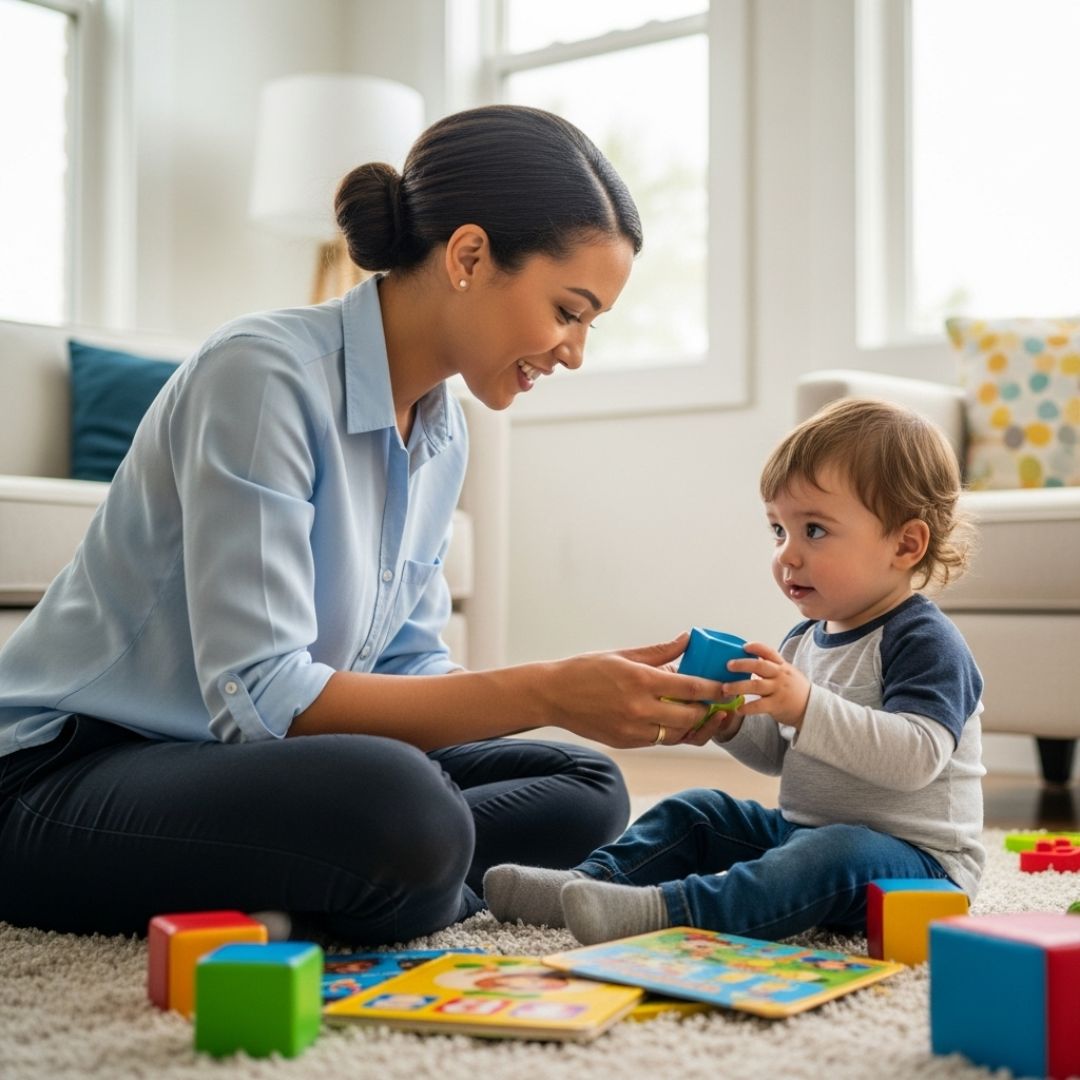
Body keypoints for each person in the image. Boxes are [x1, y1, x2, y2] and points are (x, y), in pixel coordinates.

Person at [0, 106, 735, 943]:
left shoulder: (443, 428)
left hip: (234, 766)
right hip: (63, 774)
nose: (574, 351)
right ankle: (390, 878)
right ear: (468, 256)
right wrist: (548, 688)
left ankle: (366, 886)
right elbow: (263, 699)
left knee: (582, 783)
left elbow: (409, 663)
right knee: (404, 808)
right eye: (569, 310)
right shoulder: (264, 374)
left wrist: (570, 705)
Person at [485, 398, 986, 945]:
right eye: (778, 530)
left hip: (920, 870)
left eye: (814, 530)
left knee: (830, 851)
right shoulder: (804, 641)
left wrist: (805, 705)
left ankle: (669, 912)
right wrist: (732, 724)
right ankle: (583, 887)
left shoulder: (924, 641)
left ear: (905, 544)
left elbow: (916, 759)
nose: (787, 555)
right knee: (698, 810)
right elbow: (777, 754)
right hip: (805, 837)